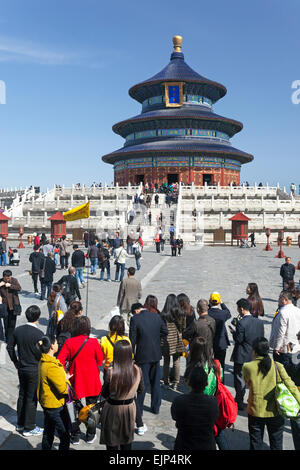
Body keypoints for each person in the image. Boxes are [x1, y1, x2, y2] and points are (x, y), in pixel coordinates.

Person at [243, 337, 300, 450]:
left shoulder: (247, 367)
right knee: (276, 443)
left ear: (254, 351)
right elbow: (291, 386)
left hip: (255, 410)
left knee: (255, 443)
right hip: (275, 411)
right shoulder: (278, 366)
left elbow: (247, 382)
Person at [58, 316, 103, 444]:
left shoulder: (69, 342)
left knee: (72, 409)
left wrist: (66, 373)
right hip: (92, 381)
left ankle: (75, 434)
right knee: (92, 409)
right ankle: (90, 434)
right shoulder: (94, 342)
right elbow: (100, 361)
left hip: (75, 381)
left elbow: (60, 361)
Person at [183, 337, 229, 449]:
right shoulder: (215, 364)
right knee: (217, 431)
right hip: (213, 402)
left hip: (196, 403)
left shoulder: (192, 367)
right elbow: (220, 379)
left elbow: (188, 385)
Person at [6, 305, 44, 437]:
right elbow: (43, 353)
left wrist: (15, 362)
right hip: (34, 369)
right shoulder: (39, 334)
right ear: (38, 317)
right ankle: (29, 427)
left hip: (22, 367)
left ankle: (20, 423)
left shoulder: (18, 330)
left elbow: (9, 347)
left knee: (22, 395)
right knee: (31, 398)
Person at [100, 340, 144, 450]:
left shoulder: (111, 372)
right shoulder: (137, 370)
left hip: (112, 409)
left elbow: (104, 393)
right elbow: (141, 390)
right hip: (129, 409)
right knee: (127, 441)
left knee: (111, 442)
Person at [129, 304, 168, 416]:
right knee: (155, 383)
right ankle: (156, 407)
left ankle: (139, 410)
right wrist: (155, 336)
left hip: (142, 356)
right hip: (156, 355)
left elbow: (132, 339)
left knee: (142, 384)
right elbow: (165, 331)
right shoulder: (156, 316)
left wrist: (131, 355)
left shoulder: (135, 319)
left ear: (136, 310)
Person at [171, 365, 219, 451]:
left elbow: (175, 417)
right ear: (206, 384)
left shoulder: (179, 401)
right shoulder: (213, 402)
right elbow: (215, 418)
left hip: (184, 445)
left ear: (189, 383)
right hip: (206, 445)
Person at [229, 298, 265, 411]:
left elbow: (239, 339)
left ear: (242, 309)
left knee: (240, 380)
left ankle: (239, 401)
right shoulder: (259, 322)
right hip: (254, 355)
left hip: (242, 356)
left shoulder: (241, 323)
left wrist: (234, 333)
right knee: (253, 380)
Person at [37, 335, 71, 450]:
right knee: (64, 435)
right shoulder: (51, 366)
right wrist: (67, 380)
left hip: (47, 404)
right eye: (56, 342)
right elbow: (63, 389)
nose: (58, 344)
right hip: (55, 406)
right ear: (52, 346)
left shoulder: (43, 361)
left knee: (48, 431)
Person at [270, 290, 300, 378]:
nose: (278, 299)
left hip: (284, 349)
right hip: (296, 347)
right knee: (294, 375)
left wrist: (276, 347)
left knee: (283, 374)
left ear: (285, 300)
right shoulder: (298, 310)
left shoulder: (283, 313)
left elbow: (280, 333)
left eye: (280, 297)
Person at [160, 294, 186, 390]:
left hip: (166, 340)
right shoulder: (181, 313)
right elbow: (183, 327)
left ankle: (166, 382)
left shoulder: (163, 314)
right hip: (177, 339)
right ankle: (176, 383)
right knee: (176, 361)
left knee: (166, 361)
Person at [208, 292, 231, 381]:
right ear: (219, 301)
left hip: (210, 342)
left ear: (210, 301)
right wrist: (222, 304)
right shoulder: (223, 314)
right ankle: (221, 382)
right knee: (221, 364)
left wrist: (209, 305)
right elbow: (228, 313)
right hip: (221, 342)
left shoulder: (208, 313)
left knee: (209, 363)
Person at [0, 269, 22, 343]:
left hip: (13, 306)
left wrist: (11, 285)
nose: (8, 279)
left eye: (9, 277)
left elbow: (19, 288)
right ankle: (7, 338)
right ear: (3, 277)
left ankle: (11, 338)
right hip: (5, 307)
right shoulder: (0, 281)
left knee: (12, 324)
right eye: (6, 277)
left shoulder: (14, 280)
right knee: (6, 324)